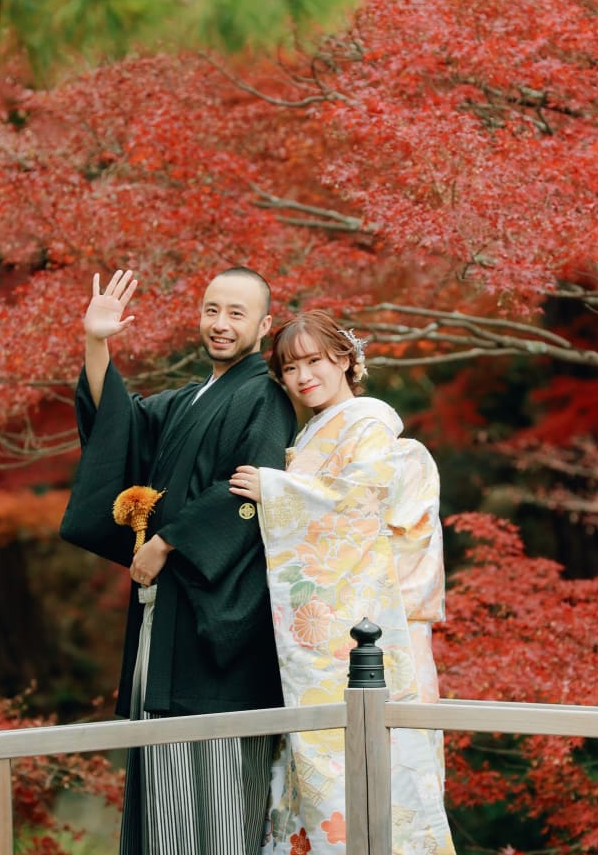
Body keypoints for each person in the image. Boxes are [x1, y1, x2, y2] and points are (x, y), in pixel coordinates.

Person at [60, 267, 297, 855]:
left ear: (265, 325)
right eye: (212, 309)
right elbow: (120, 425)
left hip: (220, 620)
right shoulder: (189, 399)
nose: (220, 324)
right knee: (162, 783)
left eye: (237, 313)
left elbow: (249, 489)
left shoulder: (264, 395)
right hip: (164, 617)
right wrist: (97, 342)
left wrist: (168, 543)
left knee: (218, 794)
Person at [229, 310, 456, 855]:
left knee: (380, 764)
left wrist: (277, 490)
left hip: (374, 625)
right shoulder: (313, 430)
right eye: (290, 367)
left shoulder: (368, 421)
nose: (304, 376)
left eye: (315, 361)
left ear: (347, 361)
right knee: (321, 761)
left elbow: (363, 502)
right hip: (332, 629)